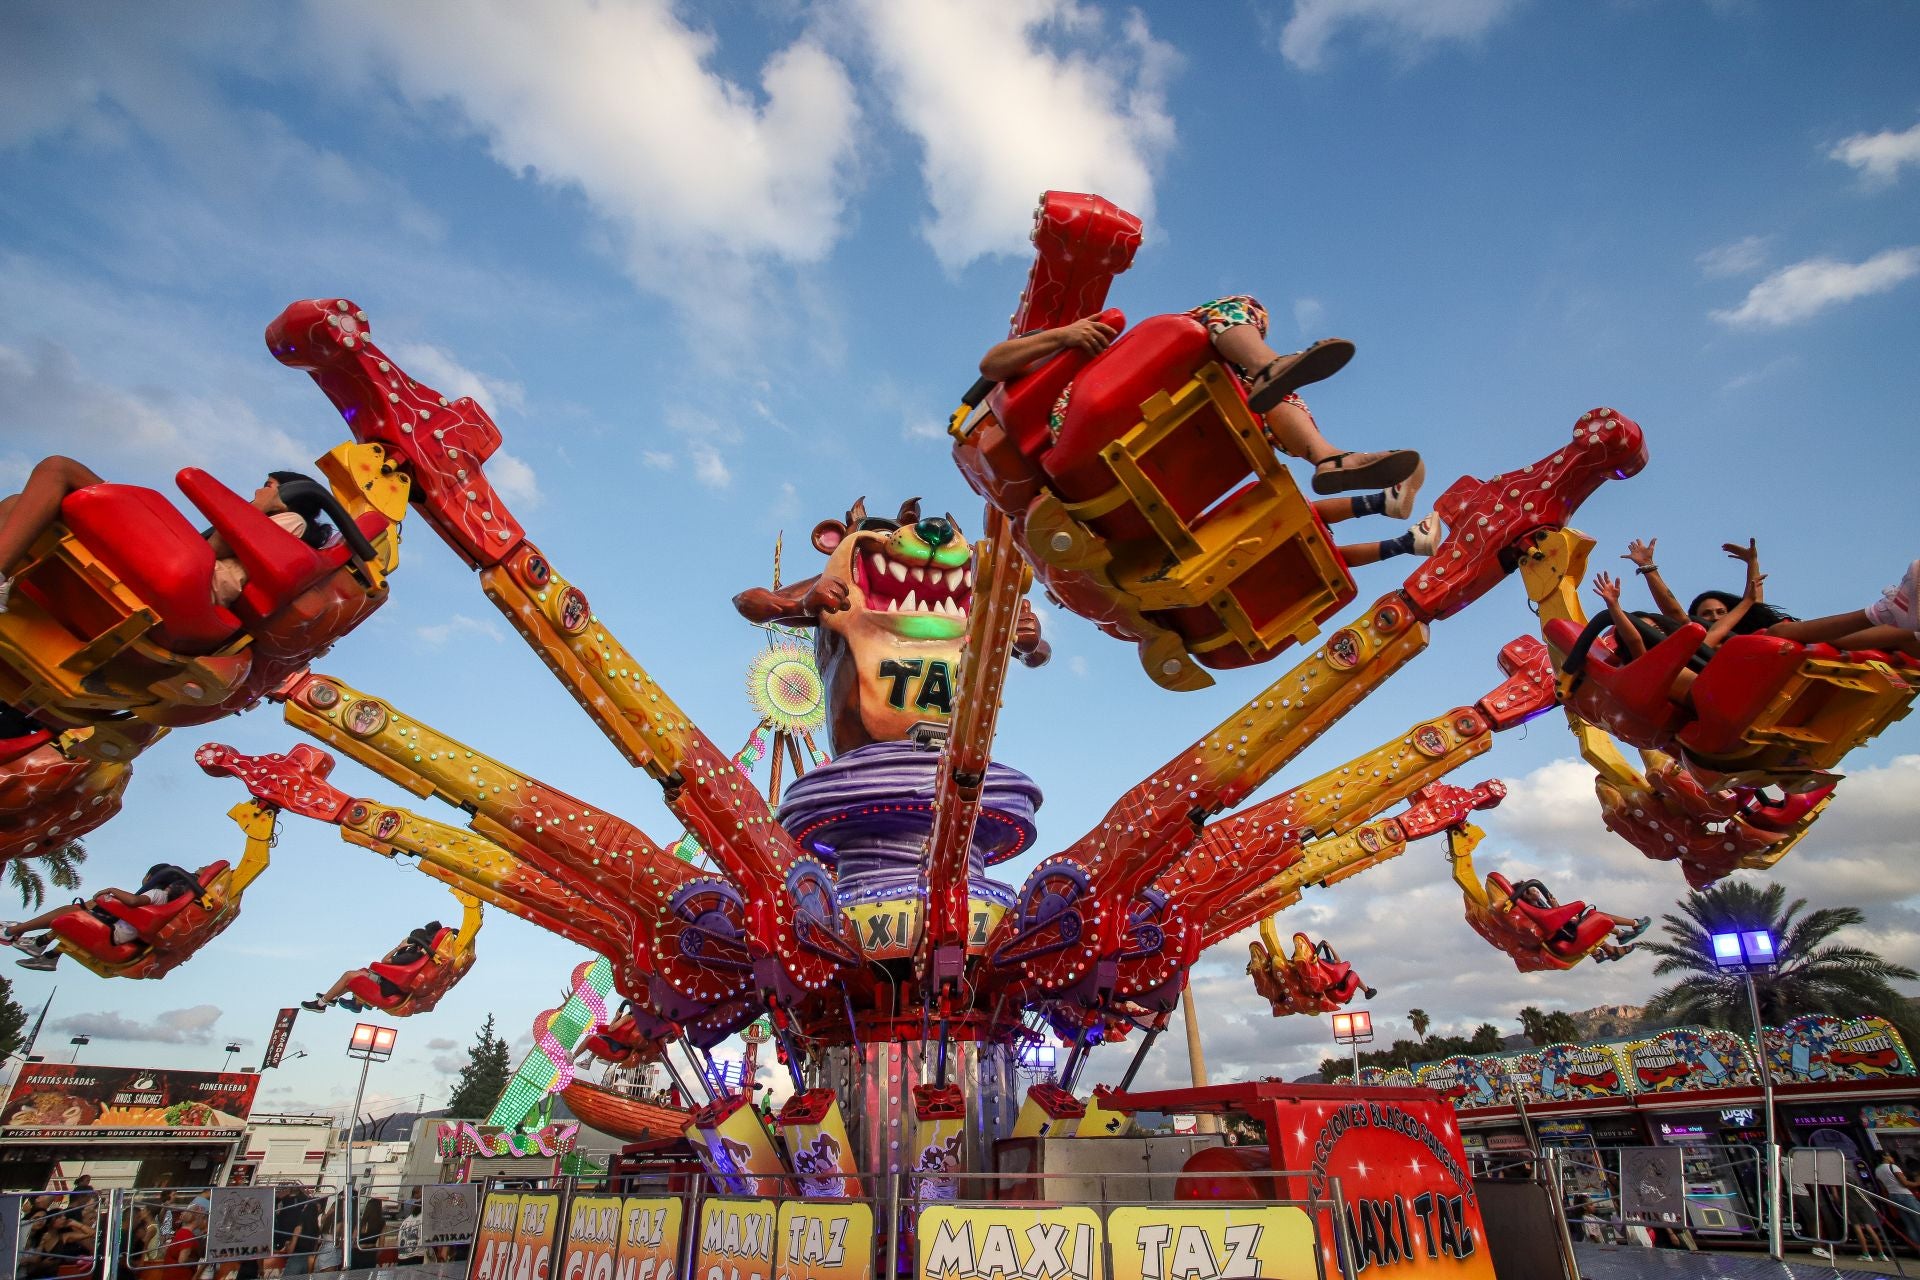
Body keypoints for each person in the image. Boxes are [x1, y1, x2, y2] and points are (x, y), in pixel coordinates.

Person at [979, 299, 1432, 563]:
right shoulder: (1051, 341)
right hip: (1079, 420)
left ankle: (1325, 455)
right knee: (1229, 311)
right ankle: (1268, 367)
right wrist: (1065, 335)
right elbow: (991, 365)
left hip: (1174, 451)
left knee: (1256, 396)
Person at [0, 460, 333, 614]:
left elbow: (215, 550)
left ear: (287, 495)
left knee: (60, 469)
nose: (259, 490)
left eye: (269, 485)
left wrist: (257, 509)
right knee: (16, 506)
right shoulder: (265, 519)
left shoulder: (292, 523)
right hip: (180, 561)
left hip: (195, 575)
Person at [1623, 537, 1920, 659]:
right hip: (1775, 651)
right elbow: (1672, 610)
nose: (1715, 616)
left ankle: (1899, 614)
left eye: (1720, 611)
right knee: (1776, 633)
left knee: (1904, 637)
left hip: (1798, 639)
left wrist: (1752, 562)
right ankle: (1887, 610)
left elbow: (1754, 599)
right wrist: (1649, 568)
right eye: (1708, 613)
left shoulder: (1746, 620)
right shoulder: (1703, 638)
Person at [1, 863, 207, 971]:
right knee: (84, 911)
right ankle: (45, 952)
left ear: (154, 878)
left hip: (116, 933)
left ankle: (14, 932)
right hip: (125, 933)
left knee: (75, 911)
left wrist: (112, 892)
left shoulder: (156, 894)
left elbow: (134, 903)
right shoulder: (168, 902)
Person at [301, 921, 443, 1012]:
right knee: (360, 973)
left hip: (387, 986)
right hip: (391, 982)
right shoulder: (418, 956)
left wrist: (398, 947)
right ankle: (332, 998)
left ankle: (321, 1004)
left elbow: (385, 961)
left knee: (349, 975)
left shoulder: (411, 956)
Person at [1510, 879, 1650, 962]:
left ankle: (1611, 948)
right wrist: (1556, 908)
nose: (1537, 892)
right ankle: (1636, 925)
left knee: (1588, 918)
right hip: (1568, 936)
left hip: (1564, 934)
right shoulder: (1536, 912)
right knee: (1594, 914)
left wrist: (1556, 908)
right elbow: (1556, 922)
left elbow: (1556, 921)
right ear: (1526, 895)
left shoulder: (1536, 908)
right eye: (1533, 890)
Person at [1874, 1150, 1920, 1247]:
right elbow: (1905, 1183)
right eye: (1890, 1155)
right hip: (1905, 1195)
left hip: (1893, 1197)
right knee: (1917, 1218)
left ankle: (1917, 1247)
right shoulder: (1893, 1167)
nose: (1892, 1158)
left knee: (1909, 1224)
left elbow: (1883, 1188)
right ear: (1884, 1156)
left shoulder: (1877, 1170)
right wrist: (1917, 1183)